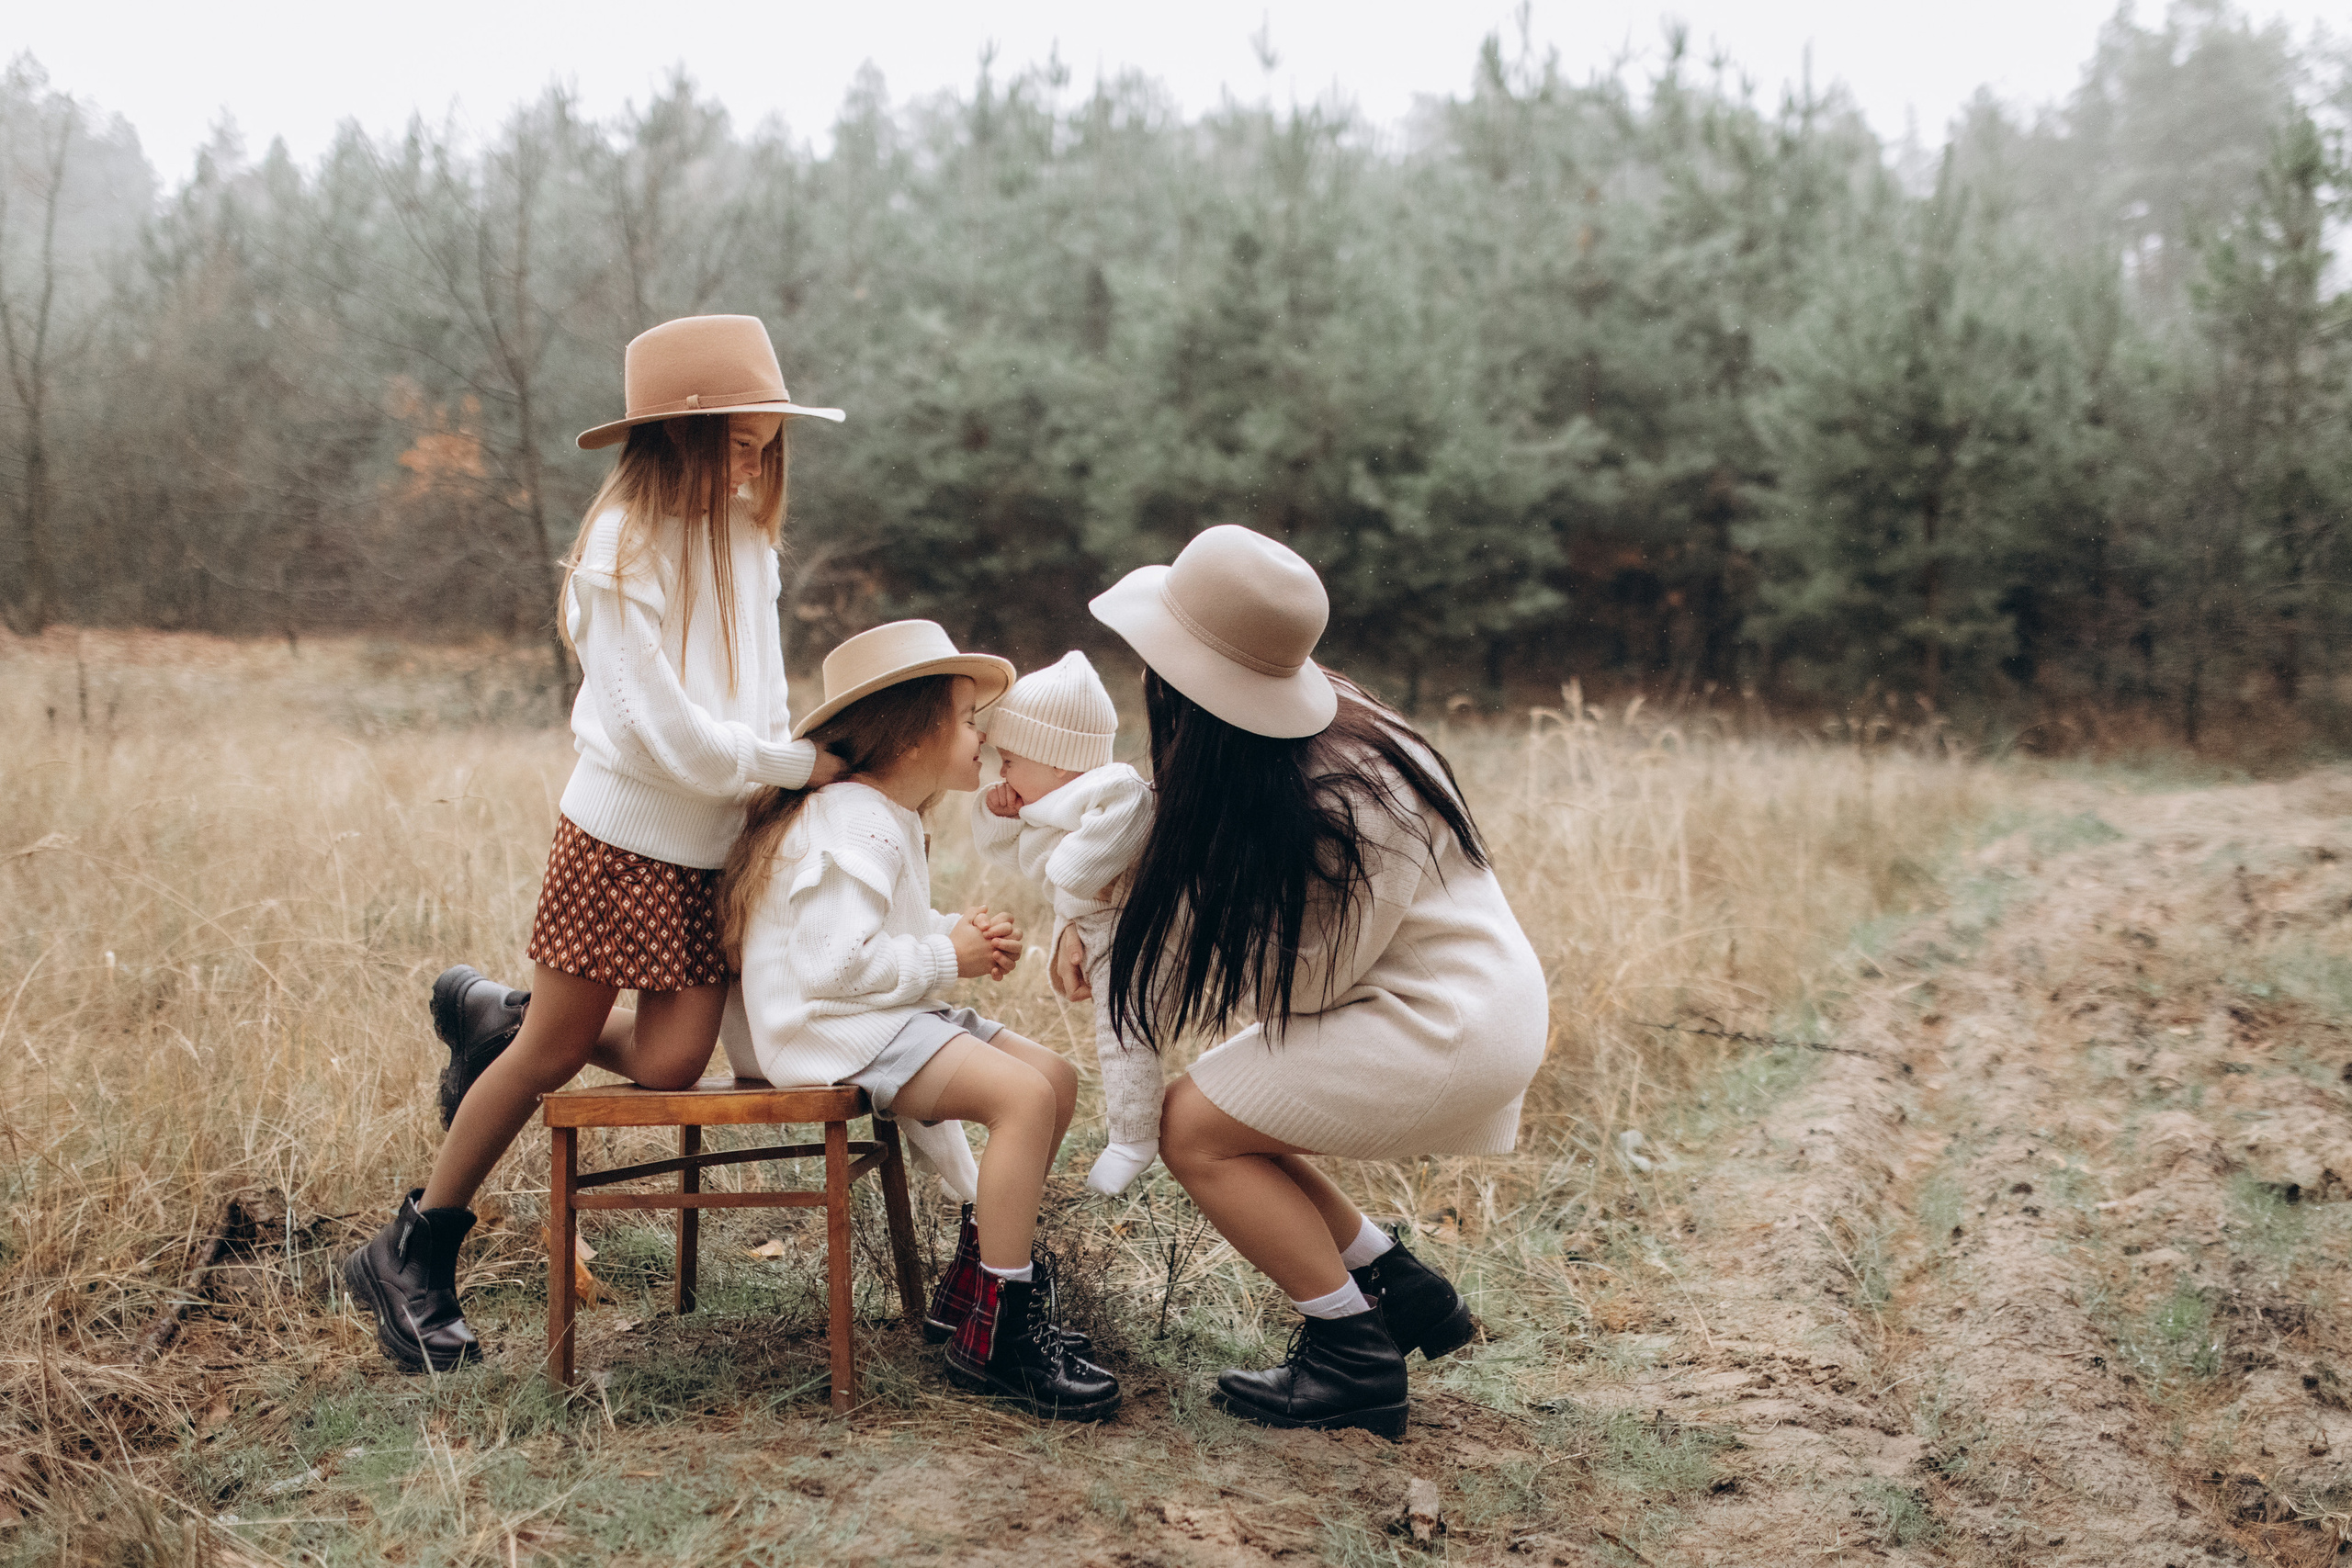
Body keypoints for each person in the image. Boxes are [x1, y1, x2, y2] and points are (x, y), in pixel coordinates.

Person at [343, 315, 848, 1373]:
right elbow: (655, 730)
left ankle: (496, 1010)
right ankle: (412, 1249)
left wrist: (778, 775)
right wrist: (792, 766)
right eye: (737, 446)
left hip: (712, 844)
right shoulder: (620, 548)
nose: (755, 466)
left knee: (673, 1059)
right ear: (675, 438)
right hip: (621, 836)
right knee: (557, 1053)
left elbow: (761, 692)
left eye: (767, 447)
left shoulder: (749, 539)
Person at [1072, 524, 1548, 1438]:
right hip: (1463, 999)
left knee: (1194, 1130)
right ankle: (1394, 1289)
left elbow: (1309, 987)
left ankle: (1350, 1356)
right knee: (1232, 1112)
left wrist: (1155, 904)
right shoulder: (1308, 728)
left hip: (1447, 1023)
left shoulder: (1341, 797)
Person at [719, 620, 1120, 1420]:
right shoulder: (857, 819)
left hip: (873, 1014)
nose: (985, 736)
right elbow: (832, 966)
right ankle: (1003, 1333)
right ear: (913, 732)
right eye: (971, 719)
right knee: (1024, 1099)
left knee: (1055, 1078)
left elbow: (865, 933)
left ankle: (975, 1295)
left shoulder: (880, 812)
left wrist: (946, 932)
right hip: (830, 1031)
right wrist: (949, 958)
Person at [967, 651, 1160, 1195]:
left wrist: (1066, 875)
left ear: (1058, 761)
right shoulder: (1052, 798)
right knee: (1112, 1028)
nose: (1001, 770)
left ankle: (1134, 1136)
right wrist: (997, 811)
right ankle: (1126, 1131)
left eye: (1011, 759)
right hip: (1092, 922)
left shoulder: (1113, 786)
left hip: (1136, 925)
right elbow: (1009, 853)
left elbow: (1097, 850)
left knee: (1127, 1026)